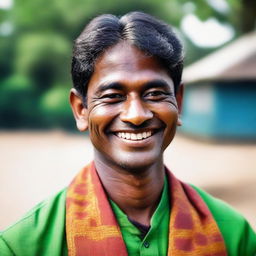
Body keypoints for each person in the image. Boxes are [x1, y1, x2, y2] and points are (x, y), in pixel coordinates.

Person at [0, 11, 255, 256]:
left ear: (178, 102)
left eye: (154, 94)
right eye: (113, 96)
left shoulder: (233, 235)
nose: (136, 115)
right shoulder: (24, 245)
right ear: (81, 110)